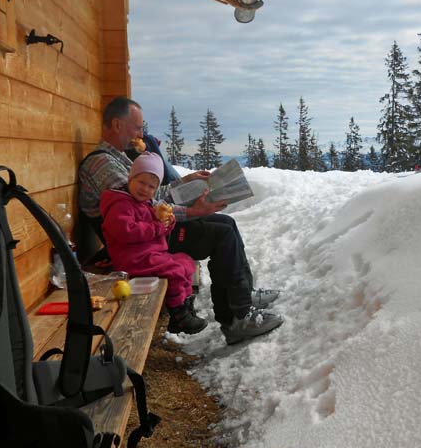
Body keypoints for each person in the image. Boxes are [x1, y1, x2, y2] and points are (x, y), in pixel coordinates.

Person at [78, 96, 283, 345]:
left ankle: (243, 297)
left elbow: (149, 197)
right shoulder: (102, 163)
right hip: (139, 243)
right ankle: (237, 318)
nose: (141, 134)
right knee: (221, 235)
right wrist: (193, 212)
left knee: (226, 224)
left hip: (151, 233)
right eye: (138, 127)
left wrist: (185, 183)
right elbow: (145, 208)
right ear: (117, 125)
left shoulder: (119, 157)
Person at [100, 152, 206, 334]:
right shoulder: (120, 204)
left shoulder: (146, 203)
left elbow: (157, 227)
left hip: (150, 255)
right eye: (141, 182)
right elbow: (127, 232)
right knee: (175, 271)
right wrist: (157, 227)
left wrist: (168, 222)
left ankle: (186, 304)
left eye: (151, 186)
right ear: (130, 178)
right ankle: (178, 313)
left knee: (185, 262)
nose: (145, 189)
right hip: (132, 259)